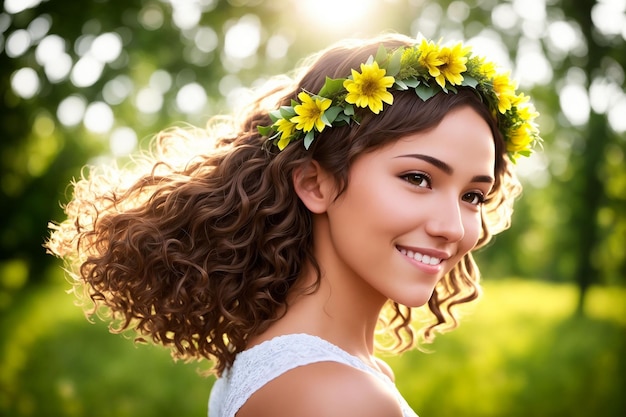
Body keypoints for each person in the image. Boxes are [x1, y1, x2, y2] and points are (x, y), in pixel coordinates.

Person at [46, 33, 540, 416]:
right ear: (314, 183)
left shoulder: (315, 368)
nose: (454, 227)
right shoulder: (336, 397)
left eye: (473, 195)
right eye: (417, 177)